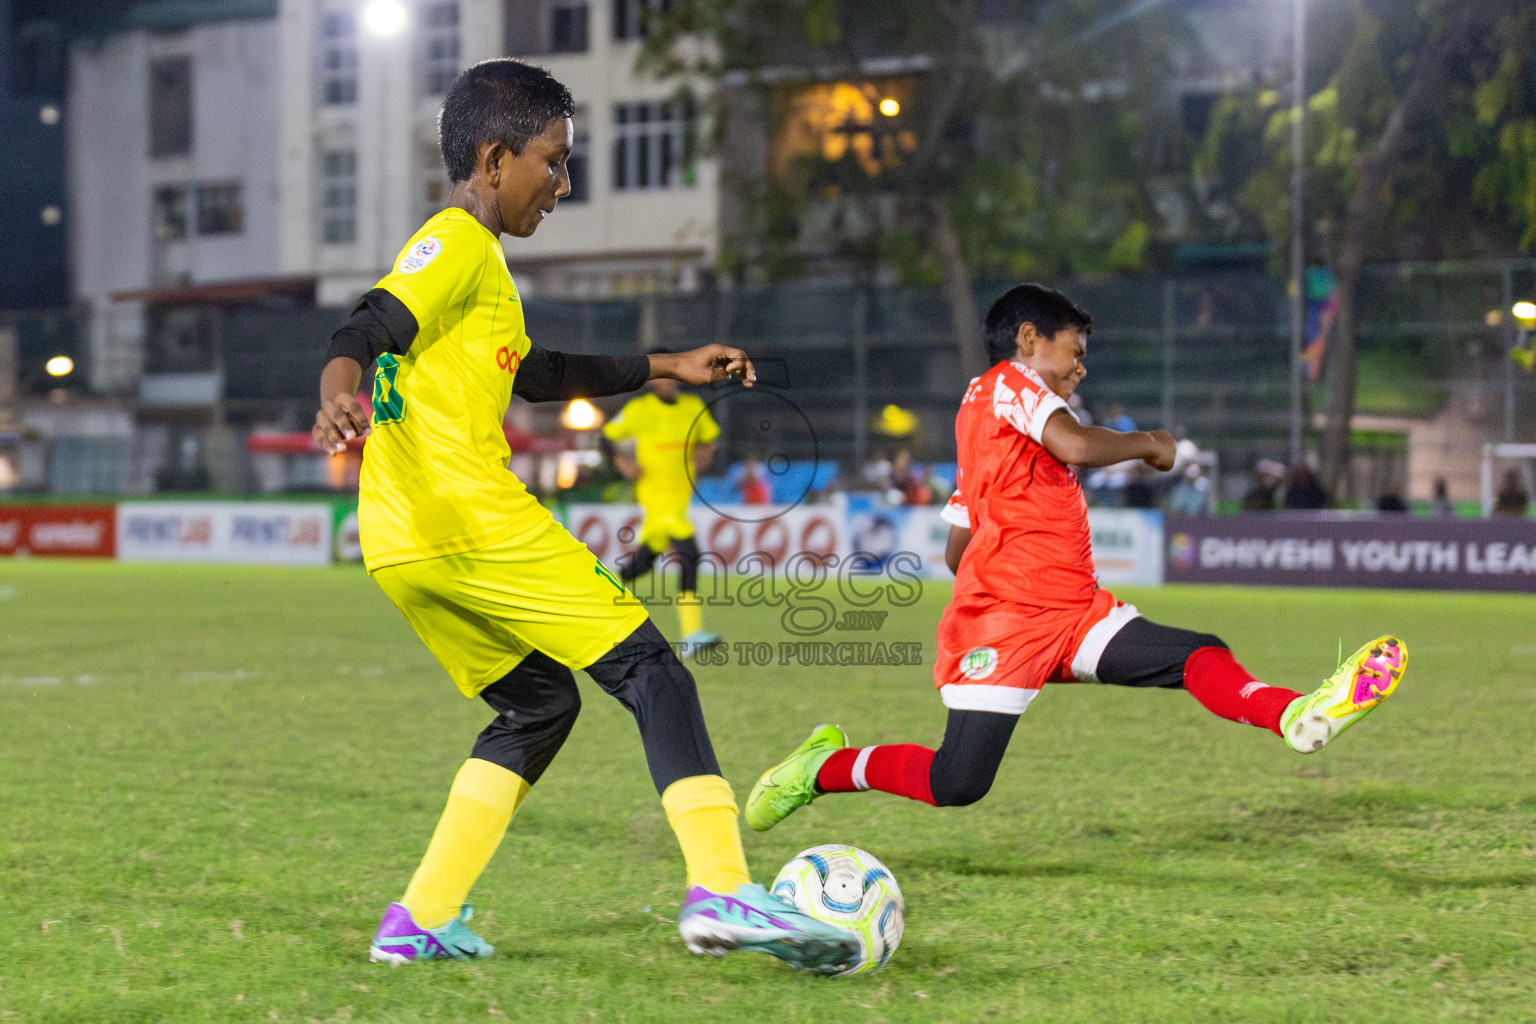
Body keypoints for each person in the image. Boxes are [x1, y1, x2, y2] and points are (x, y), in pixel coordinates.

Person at [310, 59, 856, 972]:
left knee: (533, 706)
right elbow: (364, 326)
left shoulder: (478, 272)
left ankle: (421, 916)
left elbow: (541, 374)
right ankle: (721, 889)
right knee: (655, 673)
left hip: (402, 541)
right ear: (493, 159)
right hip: (471, 522)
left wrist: (671, 363)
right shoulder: (452, 245)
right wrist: (337, 386)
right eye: (553, 163)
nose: (562, 186)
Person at [742, 283, 1407, 832]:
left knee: (1195, 652)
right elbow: (1080, 447)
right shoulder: (1008, 384)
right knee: (957, 782)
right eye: (1074, 351)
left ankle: (1294, 713)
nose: (1079, 367)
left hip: (1072, 612)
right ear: (1029, 338)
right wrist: (1151, 443)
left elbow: (955, 547)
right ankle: (819, 769)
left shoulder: (992, 433)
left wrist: (1006, 510)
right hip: (1005, 622)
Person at [602, 366, 723, 653]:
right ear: (653, 380)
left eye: (673, 375)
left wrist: (705, 454)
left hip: (680, 498)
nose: (667, 381)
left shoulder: (693, 407)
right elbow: (605, 438)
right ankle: (692, 633)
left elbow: (710, 440)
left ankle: (597, 590)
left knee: (639, 566)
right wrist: (622, 462)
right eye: (662, 375)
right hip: (657, 499)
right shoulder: (639, 409)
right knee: (690, 556)